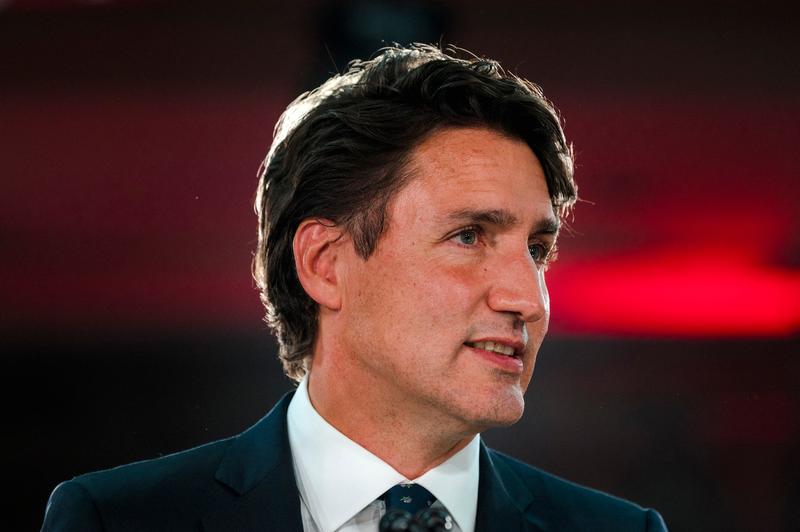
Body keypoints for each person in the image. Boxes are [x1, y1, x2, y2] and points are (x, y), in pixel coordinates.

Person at [41, 44, 668, 531]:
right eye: (469, 236)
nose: (528, 300)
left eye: (537, 250)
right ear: (325, 263)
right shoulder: (118, 521)